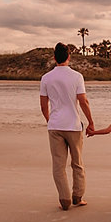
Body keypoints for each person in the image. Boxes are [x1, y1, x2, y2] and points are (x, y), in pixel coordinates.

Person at [39, 42, 95, 210]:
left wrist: (50, 120)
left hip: (55, 125)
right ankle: (77, 197)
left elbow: (43, 105)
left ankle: (64, 200)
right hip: (73, 124)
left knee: (58, 165)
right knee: (77, 163)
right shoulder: (76, 76)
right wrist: (91, 122)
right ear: (69, 57)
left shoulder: (46, 78)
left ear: (54, 57)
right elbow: (83, 101)